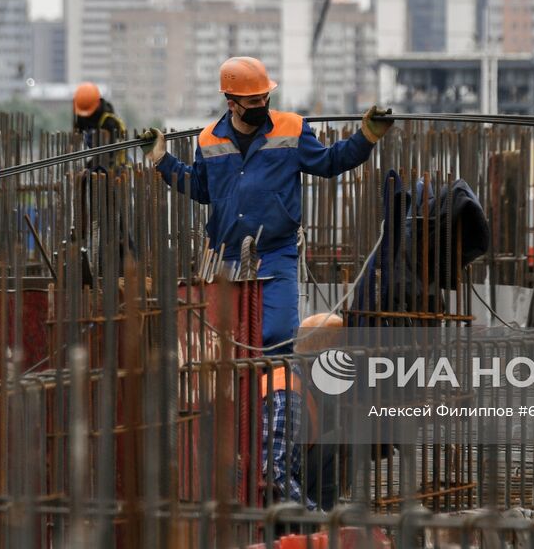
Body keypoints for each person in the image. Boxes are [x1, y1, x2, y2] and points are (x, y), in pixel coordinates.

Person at [140, 56, 392, 350]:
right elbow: (200, 188)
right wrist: (162, 160)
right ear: (231, 102)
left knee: (277, 334)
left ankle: (278, 394)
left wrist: (366, 138)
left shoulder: (292, 128)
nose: (261, 105)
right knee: (229, 341)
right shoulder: (209, 140)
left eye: (264, 97)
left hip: (276, 251)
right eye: (253, 100)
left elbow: (329, 161)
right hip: (226, 255)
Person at [260, 312, 344, 512]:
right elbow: (273, 472)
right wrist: (313, 515)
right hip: (269, 500)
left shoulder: (297, 377)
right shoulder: (290, 397)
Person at [73, 80, 126, 172]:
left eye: (88, 112)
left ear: (97, 104)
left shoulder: (109, 121)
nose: (86, 116)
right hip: (96, 156)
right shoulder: (82, 112)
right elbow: (77, 136)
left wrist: (91, 168)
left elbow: (110, 154)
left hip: (113, 161)